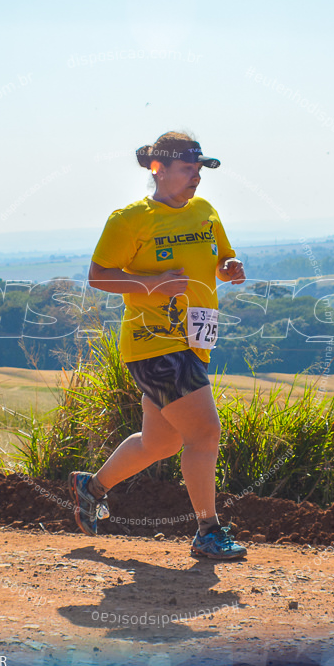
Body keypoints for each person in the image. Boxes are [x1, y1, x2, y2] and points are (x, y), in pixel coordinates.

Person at [68, 131, 248, 559]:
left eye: (200, 170)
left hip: (194, 341)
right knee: (204, 431)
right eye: (189, 169)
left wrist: (229, 268)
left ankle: (90, 488)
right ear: (158, 169)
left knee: (160, 443)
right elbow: (98, 276)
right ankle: (208, 531)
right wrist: (150, 284)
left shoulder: (204, 211)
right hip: (153, 343)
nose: (197, 178)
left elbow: (219, 261)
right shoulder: (129, 219)